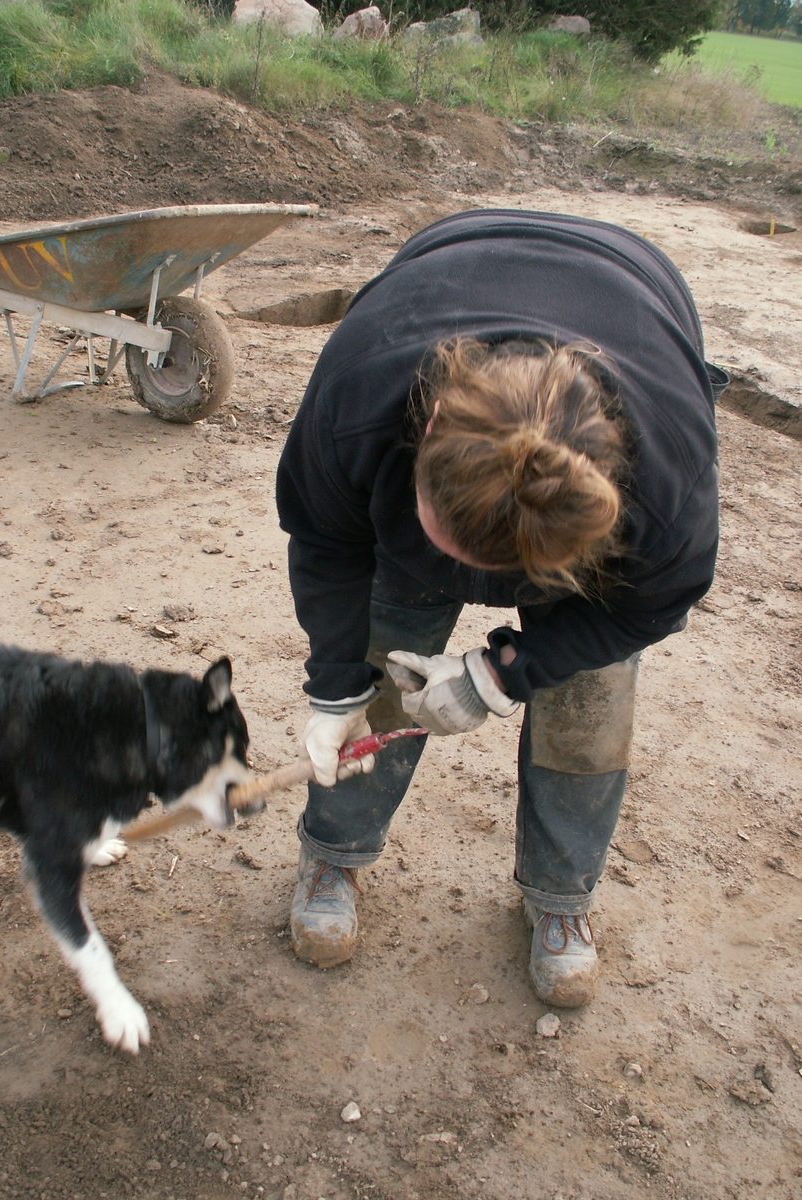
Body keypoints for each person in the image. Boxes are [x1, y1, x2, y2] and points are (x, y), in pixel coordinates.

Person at [275, 209, 725, 1007]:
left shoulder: (663, 484)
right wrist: (335, 684)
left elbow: (648, 607)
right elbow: (325, 540)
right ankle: (334, 851)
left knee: (589, 696)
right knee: (385, 653)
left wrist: (502, 673)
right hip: (452, 267)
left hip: (636, 295)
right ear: (432, 424)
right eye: (448, 544)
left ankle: (561, 899)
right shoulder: (361, 395)